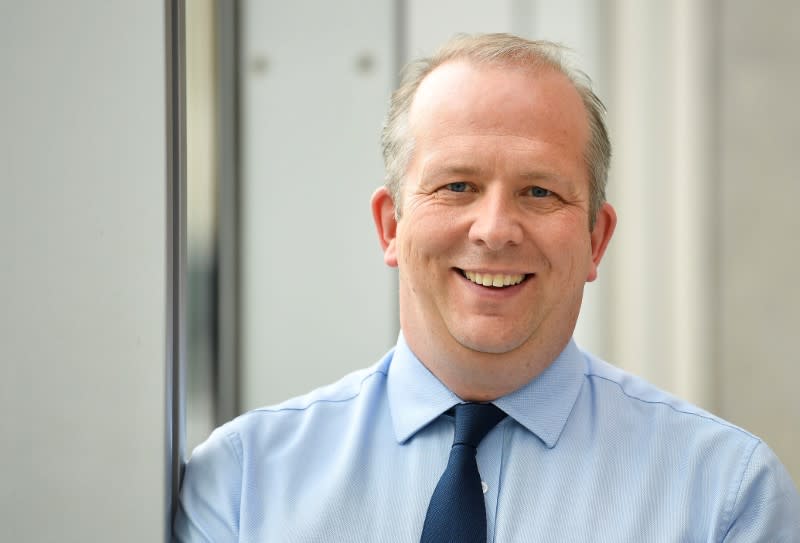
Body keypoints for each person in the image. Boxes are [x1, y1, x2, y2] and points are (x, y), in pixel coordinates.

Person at [173, 33, 800, 542]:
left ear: (595, 240)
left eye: (539, 191)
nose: (496, 230)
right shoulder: (241, 483)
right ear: (392, 226)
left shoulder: (726, 497)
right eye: (457, 186)